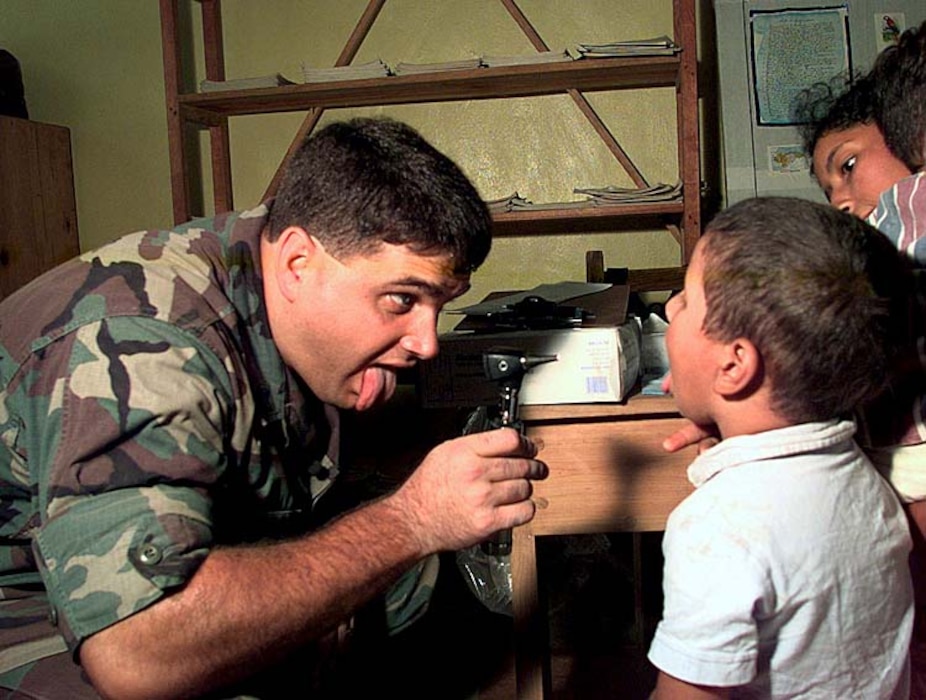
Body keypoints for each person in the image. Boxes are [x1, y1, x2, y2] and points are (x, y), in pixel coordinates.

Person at [0, 116, 549, 699]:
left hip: (185, 542)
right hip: (34, 601)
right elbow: (137, 654)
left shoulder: (272, 261)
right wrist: (410, 521)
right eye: (401, 299)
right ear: (296, 263)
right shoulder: (142, 345)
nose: (427, 342)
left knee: (414, 583)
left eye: (436, 306)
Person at [648, 197, 915, 699]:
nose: (670, 308)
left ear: (732, 366)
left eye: (685, 296)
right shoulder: (864, 481)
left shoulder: (719, 526)